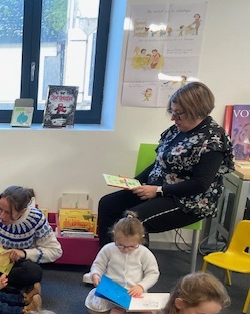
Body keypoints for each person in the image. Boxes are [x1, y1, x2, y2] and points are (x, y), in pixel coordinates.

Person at [96, 82, 234, 247]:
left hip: (189, 201)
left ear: (195, 111)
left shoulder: (213, 139)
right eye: (172, 112)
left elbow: (200, 184)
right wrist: (135, 182)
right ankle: (107, 256)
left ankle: (137, 263)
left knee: (134, 220)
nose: (173, 118)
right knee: (107, 204)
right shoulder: (177, 130)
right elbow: (160, 163)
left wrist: (159, 190)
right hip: (158, 190)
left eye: (178, 113)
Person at [85, 212, 160, 314]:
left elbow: (153, 273)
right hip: (113, 292)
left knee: (148, 311)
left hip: (135, 293)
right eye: (121, 245)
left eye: (131, 246)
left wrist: (141, 286)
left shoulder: (144, 253)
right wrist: (95, 275)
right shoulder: (108, 249)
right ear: (114, 236)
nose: (126, 250)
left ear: (141, 239)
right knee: (118, 306)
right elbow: (98, 266)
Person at [0, 186, 62, 293]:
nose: (2, 216)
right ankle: (16, 290)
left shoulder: (36, 219)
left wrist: (23, 253)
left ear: (23, 211)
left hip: (17, 264)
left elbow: (55, 251)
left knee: (34, 272)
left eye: (8, 212)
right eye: (0, 209)